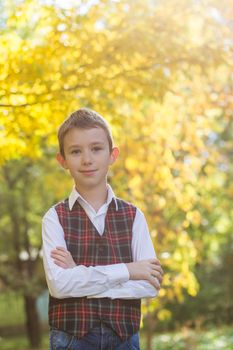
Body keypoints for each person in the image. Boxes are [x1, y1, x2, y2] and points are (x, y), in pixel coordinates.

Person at [42, 108, 163, 350]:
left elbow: (149, 284)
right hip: (71, 339)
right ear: (62, 160)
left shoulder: (133, 216)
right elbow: (60, 285)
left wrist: (80, 274)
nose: (87, 159)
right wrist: (129, 270)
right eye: (76, 151)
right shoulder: (54, 217)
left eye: (96, 149)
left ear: (112, 155)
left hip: (124, 340)